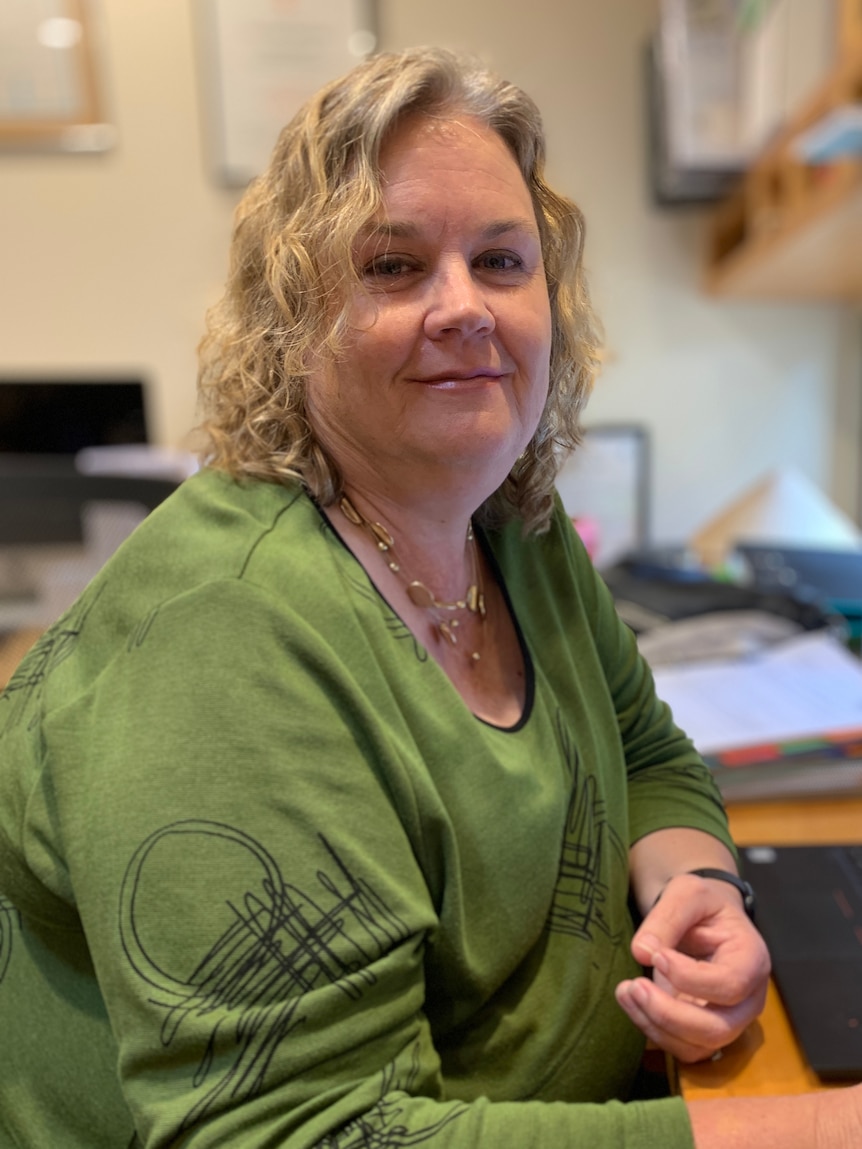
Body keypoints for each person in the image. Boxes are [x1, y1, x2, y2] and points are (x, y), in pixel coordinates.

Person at [0, 44, 858, 1149]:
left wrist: (700, 892)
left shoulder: (512, 524)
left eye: (501, 261)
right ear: (291, 320)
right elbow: (309, 1134)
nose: (465, 308)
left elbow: (645, 755)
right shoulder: (223, 640)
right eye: (393, 267)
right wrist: (826, 1134)